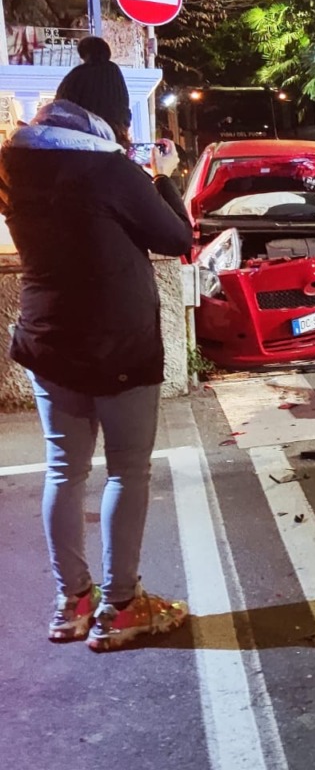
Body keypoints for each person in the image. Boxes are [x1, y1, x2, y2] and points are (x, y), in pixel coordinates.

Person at [0, 36, 193, 650]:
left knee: (64, 470)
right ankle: (122, 605)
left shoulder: (13, 164)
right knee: (127, 471)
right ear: (112, 116)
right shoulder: (113, 171)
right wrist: (164, 179)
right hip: (119, 345)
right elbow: (176, 238)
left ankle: (73, 601)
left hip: (47, 339)